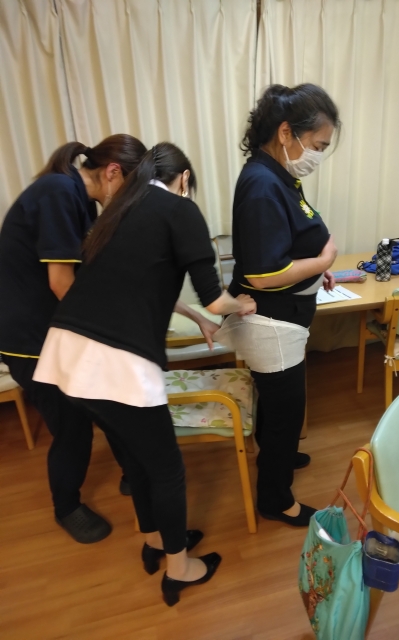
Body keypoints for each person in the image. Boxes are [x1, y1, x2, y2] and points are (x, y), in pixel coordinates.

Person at [33, 142, 256, 605]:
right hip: (117, 363)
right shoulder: (180, 209)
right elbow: (215, 299)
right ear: (184, 179)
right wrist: (243, 304)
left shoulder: (120, 210)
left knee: (136, 459)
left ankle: (155, 540)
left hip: (66, 352)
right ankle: (180, 568)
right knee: (167, 469)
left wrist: (195, 317)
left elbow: (138, 284)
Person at [0, 135, 148, 543]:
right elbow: (61, 282)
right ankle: (66, 506)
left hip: (56, 331)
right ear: (113, 172)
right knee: (72, 426)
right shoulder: (59, 192)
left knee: (109, 402)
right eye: (130, 189)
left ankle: (134, 472)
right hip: (30, 340)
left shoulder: (78, 199)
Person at [227, 83, 341, 527]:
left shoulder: (278, 175)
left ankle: (278, 454)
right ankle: (276, 500)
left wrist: (314, 270)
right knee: (285, 411)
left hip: (283, 316)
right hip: (271, 322)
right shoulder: (261, 185)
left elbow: (288, 242)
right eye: (318, 145)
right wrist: (322, 261)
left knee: (281, 406)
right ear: (286, 132)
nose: (318, 155)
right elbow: (262, 274)